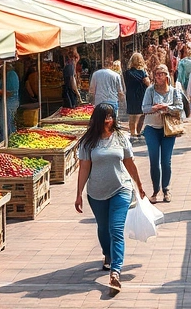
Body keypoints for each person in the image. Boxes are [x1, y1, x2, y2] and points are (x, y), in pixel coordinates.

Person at [74, 103, 147, 296]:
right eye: (105, 117)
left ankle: (116, 271)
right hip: (96, 193)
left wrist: (139, 185)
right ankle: (107, 254)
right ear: (97, 119)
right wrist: (78, 194)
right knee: (103, 228)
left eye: (111, 117)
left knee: (116, 229)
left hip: (121, 188)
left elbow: (129, 163)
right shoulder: (88, 142)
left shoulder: (121, 137)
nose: (109, 121)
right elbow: (84, 168)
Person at [140, 64, 183, 204]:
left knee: (166, 161)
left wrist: (167, 108)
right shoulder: (150, 91)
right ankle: (155, 190)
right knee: (154, 161)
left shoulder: (174, 91)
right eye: (156, 74)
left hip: (168, 129)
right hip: (152, 128)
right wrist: (155, 108)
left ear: (167, 76)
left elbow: (180, 108)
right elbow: (144, 108)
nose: (158, 76)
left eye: (161, 73)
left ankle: (166, 189)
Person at [124, 53, 151, 140]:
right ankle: (138, 131)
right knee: (141, 114)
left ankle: (133, 132)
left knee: (132, 114)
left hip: (130, 94)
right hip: (141, 94)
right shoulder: (143, 72)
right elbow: (148, 84)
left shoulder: (127, 73)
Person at [0, 65, 20, 146]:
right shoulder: (6, 75)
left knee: (6, 126)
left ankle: (6, 144)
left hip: (8, 104)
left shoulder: (11, 75)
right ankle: (4, 143)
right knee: (4, 126)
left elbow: (9, 92)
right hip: (5, 103)